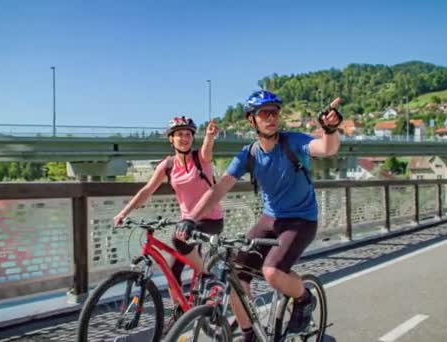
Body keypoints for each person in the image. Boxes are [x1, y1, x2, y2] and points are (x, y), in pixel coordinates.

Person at [176, 90, 342, 341]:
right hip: (270, 219)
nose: (270, 118)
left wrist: (329, 130)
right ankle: (250, 334)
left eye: (274, 112)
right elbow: (219, 188)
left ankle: (304, 298)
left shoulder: (293, 142)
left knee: (272, 272)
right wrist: (191, 218)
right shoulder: (249, 154)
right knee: (235, 276)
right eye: (263, 113)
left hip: (301, 219)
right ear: (251, 120)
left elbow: (326, 148)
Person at [113, 116, 224, 326]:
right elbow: (147, 190)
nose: (184, 138)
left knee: (177, 239)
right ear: (171, 139)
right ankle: (180, 310)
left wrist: (209, 136)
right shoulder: (168, 165)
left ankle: (207, 275)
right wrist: (124, 212)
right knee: (173, 271)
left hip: (210, 219)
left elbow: (208, 149)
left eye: (188, 134)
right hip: (187, 223)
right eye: (179, 134)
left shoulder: (201, 158)